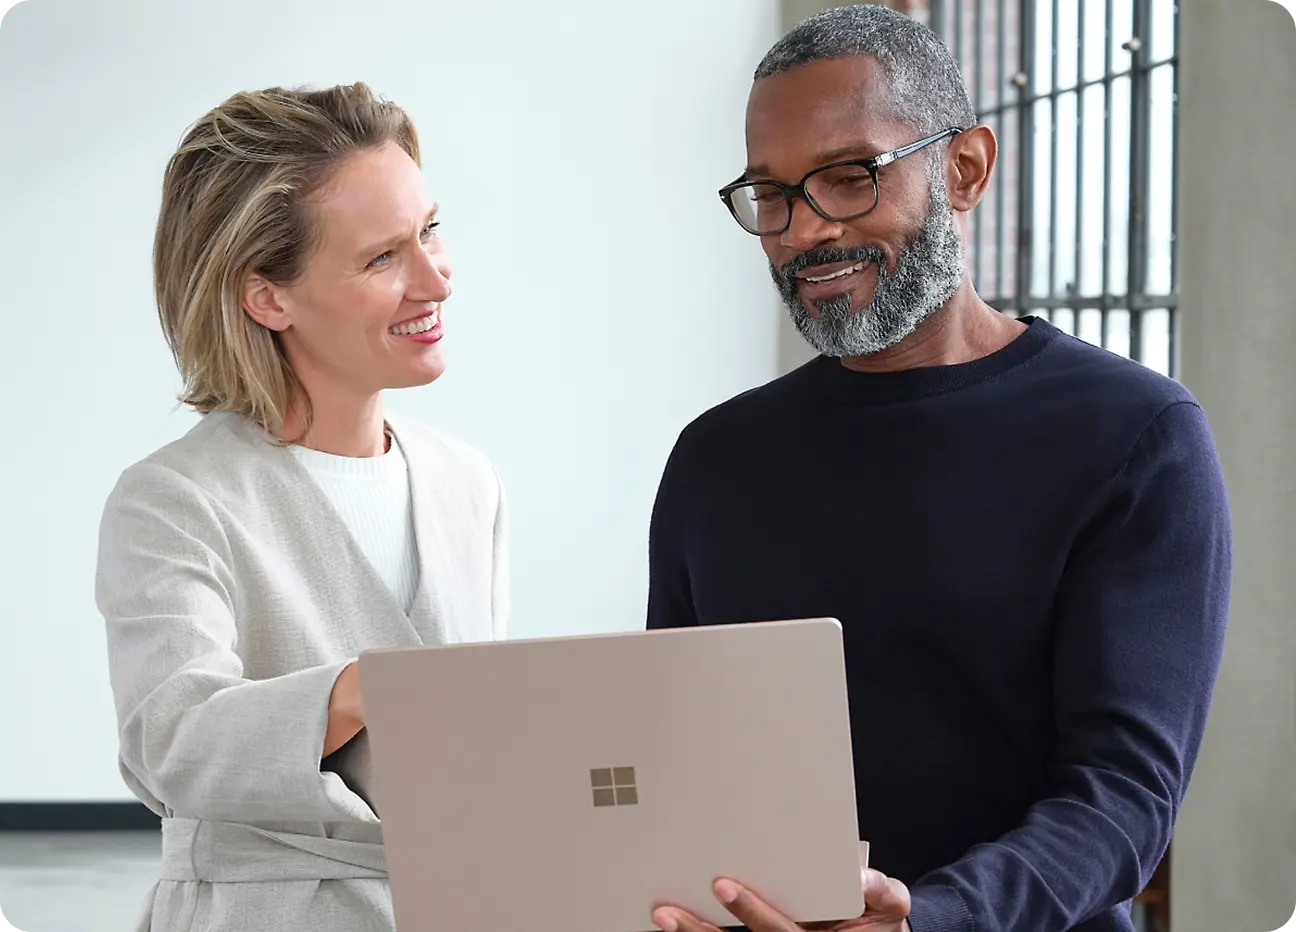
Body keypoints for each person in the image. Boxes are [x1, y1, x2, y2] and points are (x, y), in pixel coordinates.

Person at [644, 6, 1231, 932]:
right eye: (773, 195)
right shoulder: (715, 460)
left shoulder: (1136, 437)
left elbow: (1124, 798)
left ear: (963, 169)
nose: (802, 232)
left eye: (848, 177)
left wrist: (931, 918)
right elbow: (672, 762)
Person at [95, 83, 507, 932]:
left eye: (429, 231)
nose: (436, 279)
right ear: (267, 298)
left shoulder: (467, 481)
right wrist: (372, 688)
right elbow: (168, 741)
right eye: (382, 257)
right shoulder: (174, 499)